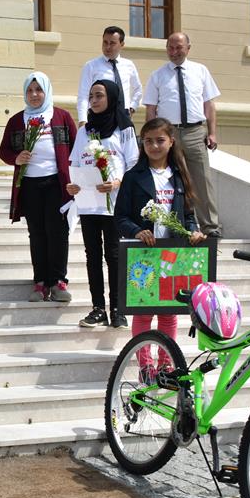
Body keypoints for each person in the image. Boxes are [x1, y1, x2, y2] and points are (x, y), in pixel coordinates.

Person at [114, 117, 206, 365]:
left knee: (168, 312)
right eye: (148, 141)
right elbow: (120, 217)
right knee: (144, 312)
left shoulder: (179, 176)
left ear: (171, 142)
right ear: (142, 144)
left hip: (172, 255)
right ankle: (145, 364)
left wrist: (193, 231)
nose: (154, 146)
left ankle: (167, 363)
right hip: (144, 256)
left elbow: (188, 215)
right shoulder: (133, 177)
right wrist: (136, 231)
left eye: (160, 140)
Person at [0, 71, 76, 303]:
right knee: (38, 233)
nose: (34, 95)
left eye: (38, 89)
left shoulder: (61, 116)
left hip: (57, 183)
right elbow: (3, 151)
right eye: (30, 90)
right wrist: (16, 158)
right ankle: (40, 282)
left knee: (58, 232)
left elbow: (77, 146)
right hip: (30, 184)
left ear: (47, 91)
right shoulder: (16, 121)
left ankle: (58, 282)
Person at [67, 79, 138, 330]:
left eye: (99, 96)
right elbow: (75, 163)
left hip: (114, 205)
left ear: (111, 98)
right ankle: (98, 309)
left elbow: (134, 165)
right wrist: (72, 185)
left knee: (115, 256)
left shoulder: (124, 129)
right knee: (92, 256)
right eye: (91, 96)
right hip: (88, 203)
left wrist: (117, 183)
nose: (94, 101)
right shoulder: (85, 131)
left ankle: (118, 309)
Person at [143, 32, 222, 237]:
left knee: (202, 179)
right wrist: (151, 138)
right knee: (175, 181)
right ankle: (182, 225)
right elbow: (151, 108)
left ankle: (210, 227)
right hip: (169, 134)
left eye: (179, 47)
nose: (174, 52)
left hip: (196, 131)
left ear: (188, 48)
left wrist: (212, 133)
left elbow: (209, 104)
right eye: (170, 47)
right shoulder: (158, 75)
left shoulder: (200, 71)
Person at [76, 26, 143, 125]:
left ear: (122, 44)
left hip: (123, 118)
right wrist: (82, 120)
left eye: (112, 43)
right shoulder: (91, 66)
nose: (108, 47)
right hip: (98, 118)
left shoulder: (129, 65)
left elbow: (138, 89)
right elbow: (83, 95)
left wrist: (132, 108)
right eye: (105, 42)